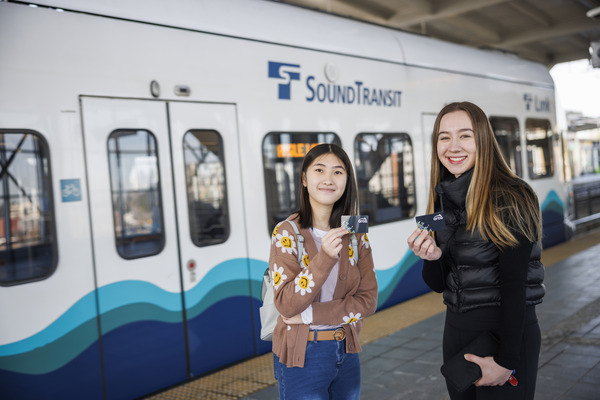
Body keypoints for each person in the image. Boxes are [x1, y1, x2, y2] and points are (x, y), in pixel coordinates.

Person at [408, 102, 545, 400]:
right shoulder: (444, 198)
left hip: (504, 335)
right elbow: (437, 284)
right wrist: (432, 259)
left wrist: (507, 361)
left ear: (483, 140)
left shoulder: (512, 195)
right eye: (444, 137)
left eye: (464, 136)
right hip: (456, 331)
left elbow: (514, 283)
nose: (453, 146)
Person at [269, 143, 378, 400]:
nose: (329, 179)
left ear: (347, 181)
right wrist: (324, 258)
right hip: (303, 353)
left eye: (338, 172)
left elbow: (368, 301)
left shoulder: (355, 233)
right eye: (319, 170)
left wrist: (310, 314)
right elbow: (286, 304)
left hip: (347, 348)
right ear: (304, 179)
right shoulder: (286, 233)